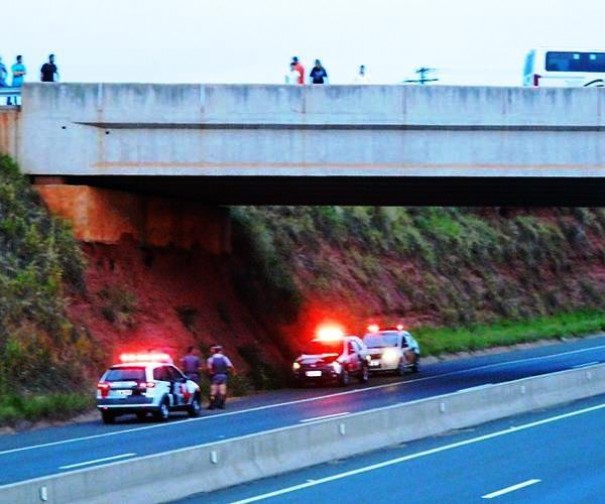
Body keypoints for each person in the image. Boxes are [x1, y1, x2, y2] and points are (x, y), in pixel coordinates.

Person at [206, 344, 234, 410]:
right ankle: (222, 404)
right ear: (220, 351)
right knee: (222, 390)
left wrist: (211, 373)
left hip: (215, 375)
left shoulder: (211, 359)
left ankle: (212, 404)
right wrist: (230, 371)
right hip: (223, 375)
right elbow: (230, 366)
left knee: (213, 391)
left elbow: (209, 368)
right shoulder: (224, 358)